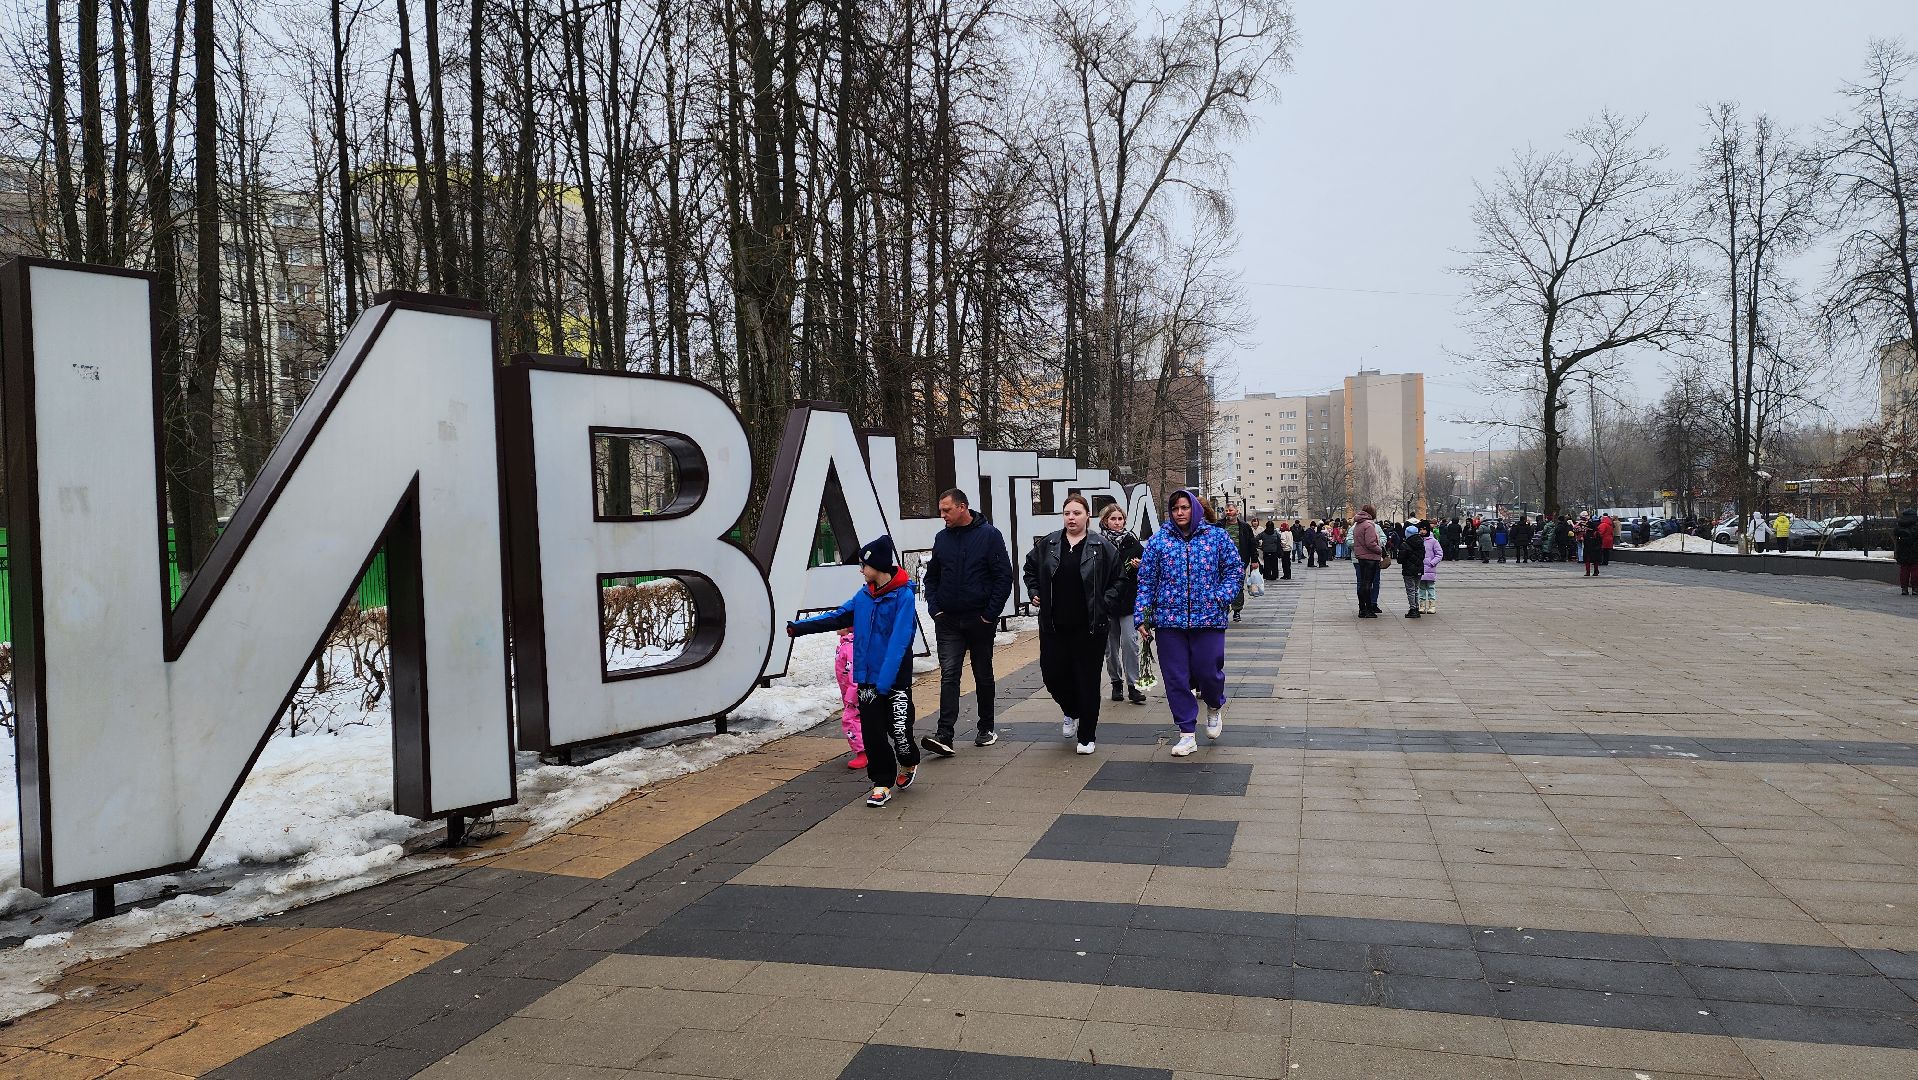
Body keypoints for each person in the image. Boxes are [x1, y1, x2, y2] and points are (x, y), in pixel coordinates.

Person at [788, 535, 920, 807]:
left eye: (864, 565)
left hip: (894, 680)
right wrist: (799, 628)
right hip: (867, 681)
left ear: (878, 565)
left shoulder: (903, 596)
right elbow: (837, 617)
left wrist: (885, 682)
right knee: (872, 734)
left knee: (900, 733)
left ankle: (908, 761)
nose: (861, 570)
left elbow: (899, 642)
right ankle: (881, 782)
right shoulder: (863, 596)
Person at [1134, 489, 1241, 757]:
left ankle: (1214, 705)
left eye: (1184, 507)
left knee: (1209, 671)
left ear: (1194, 508)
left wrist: (1220, 597)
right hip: (1170, 621)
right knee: (1176, 678)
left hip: (1209, 619)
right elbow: (1146, 581)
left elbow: (1234, 570)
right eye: (1175, 509)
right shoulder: (1159, 542)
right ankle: (1186, 733)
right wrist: (1142, 616)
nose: (1180, 513)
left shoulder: (1216, 537)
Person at [1026, 494, 1127, 754]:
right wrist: (1034, 590)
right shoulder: (1049, 543)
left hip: (1090, 627)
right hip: (1053, 625)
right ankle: (1070, 710)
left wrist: (1105, 603)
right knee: (1052, 675)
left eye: (1077, 513)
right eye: (1067, 513)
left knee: (1088, 679)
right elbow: (1029, 568)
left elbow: (1119, 578)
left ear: (1087, 517)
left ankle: (1087, 735)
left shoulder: (1101, 545)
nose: (1071, 517)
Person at [921, 488, 1015, 756]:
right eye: (941, 510)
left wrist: (989, 614)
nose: (943, 515)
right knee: (949, 674)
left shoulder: (989, 536)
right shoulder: (942, 538)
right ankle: (945, 734)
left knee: (982, 674)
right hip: (948, 620)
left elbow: (1003, 577)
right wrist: (935, 608)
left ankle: (986, 727)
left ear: (963, 507)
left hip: (979, 619)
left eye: (947, 510)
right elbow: (932, 577)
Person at [1098, 503, 1147, 705]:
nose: (1117, 523)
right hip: (1107, 603)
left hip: (1128, 602)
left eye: (1120, 519)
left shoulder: (1133, 544)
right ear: (1105, 521)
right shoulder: (1098, 543)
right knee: (1110, 648)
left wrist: (1140, 566)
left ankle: (1133, 685)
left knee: (1130, 643)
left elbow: (1147, 572)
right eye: (1113, 519)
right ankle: (1115, 681)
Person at [833, 627, 867, 771]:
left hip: (854, 694)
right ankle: (868, 749)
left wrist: (852, 696)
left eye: (839, 622)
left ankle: (862, 753)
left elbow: (855, 674)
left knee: (850, 720)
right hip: (849, 692)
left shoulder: (851, 646)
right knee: (860, 720)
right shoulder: (845, 644)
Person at [1220, 504, 1260, 624]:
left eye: (1230, 510)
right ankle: (1224, 609)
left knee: (1237, 587)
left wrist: (1254, 560)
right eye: (1226, 510)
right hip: (1221, 562)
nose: (1228, 512)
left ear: (1237, 511)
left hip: (1239, 563)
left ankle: (1237, 611)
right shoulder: (1219, 525)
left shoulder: (1244, 527)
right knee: (1222, 587)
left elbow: (1252, 544)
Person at [1351, 504, 1385, 618]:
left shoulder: (1358, 524)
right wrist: (1380, 550)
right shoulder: (1369, 525)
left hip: (1361, 556)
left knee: (1362, 583)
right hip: (1370, 557)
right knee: (1368, 584)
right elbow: (1370, 543)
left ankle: (1362, 608)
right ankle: (1369, 609)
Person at [1397, 524, 1426, 618]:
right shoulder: (1421, 542)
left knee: (1410, 590)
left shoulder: (1405, 545)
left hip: (1408, 571)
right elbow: (1423, 556)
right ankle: (1416, 608)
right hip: (1419, 569)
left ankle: (1412, 609)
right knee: (1416, 589)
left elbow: (1400, 559)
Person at [1419, 521, 1444, 613]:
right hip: (1420, 568)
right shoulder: (1418, 540)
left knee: (1430, 588)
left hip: (1430, 568)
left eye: (1424, 529)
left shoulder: (1433, 541)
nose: (1422, 531)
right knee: (1421, 588)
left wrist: (1432, 563)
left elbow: (1439, 554)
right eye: (1420, 529)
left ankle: (1432, 606)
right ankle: (1421, 606)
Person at [1895, 509, 1918, 595]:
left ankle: (1904, 588)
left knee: (1904, 570)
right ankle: (1915, 588)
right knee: (1915, 570)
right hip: (1915, 551)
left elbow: (1896, 533)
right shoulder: (1916, 523)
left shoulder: (1900, 523)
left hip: (1902, 550)